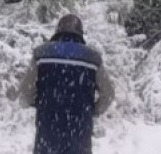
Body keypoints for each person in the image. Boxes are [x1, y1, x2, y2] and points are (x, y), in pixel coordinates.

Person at [18, 13, 115, 154]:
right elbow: (108, 94)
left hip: (48, 130)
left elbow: (25, 92)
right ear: (80, 33)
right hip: (80, 131)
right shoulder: (92, 58)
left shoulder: (41, 54)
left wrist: (38, 103)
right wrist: (92, 111)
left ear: (58, 31)